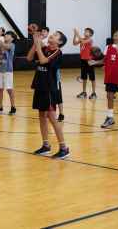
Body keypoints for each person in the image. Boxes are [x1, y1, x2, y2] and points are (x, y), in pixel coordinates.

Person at [28, 30, 70, 159]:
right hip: (40, 86)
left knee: (52, 117)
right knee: (41, 116)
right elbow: (29, 58)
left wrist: (39, 46)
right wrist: (35, 44)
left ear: (60, 42)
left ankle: (64, 148)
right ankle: (46, 145)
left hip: (50, 89)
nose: (52, 35)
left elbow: (43, 61)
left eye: (56, 35)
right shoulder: (44, 48)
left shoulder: (57, 52)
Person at [90, 29, 118, 128]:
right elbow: (105, 60)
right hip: (109, 75)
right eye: (114, 34)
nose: (115, 35)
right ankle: (110, 117)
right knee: (109, 96)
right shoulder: (108, 47)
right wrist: (95, 62)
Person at [0, 30, 17, 115]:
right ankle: (0, 107)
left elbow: (5, 46)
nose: (5, 36)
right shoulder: (1, 44)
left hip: (7, 70)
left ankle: (13, 107)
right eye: (5, 34)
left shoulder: (12, 45)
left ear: (12, 38)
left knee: (9, 89)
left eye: (8, 35)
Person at [75, 27, 96, 99]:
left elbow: (83, 42)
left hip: (89, 60)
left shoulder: (90, 40)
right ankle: (84, 92)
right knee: (84, 77)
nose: (85, 32)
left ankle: (93, 93)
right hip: (83, 60)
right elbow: (74, 43)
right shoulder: (82, 39)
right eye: (85, 31)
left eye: (87, 31)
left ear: (91, 34)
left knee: (92, 78)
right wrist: (75, 35)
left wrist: (77, 34)